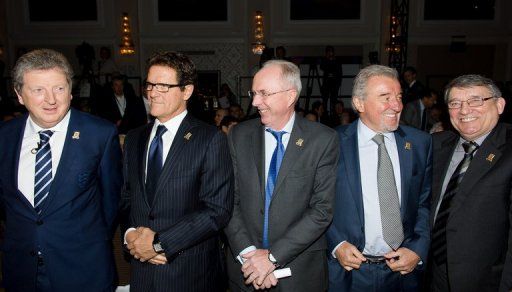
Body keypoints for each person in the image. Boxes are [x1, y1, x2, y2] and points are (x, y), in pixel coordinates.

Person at [0, 49, 122, 291]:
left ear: (71, 90)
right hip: (22, 270)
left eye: (59, 88)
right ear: (19, 95)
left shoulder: (99, 134)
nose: (51, 99)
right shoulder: (4, 136)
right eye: (38, 90)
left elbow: (113, 202)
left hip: (83, 270)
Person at [119, 51, 233, 292]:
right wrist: (130, 235)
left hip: (188, 273)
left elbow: (217, 210)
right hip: (142, 272)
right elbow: (127, 197)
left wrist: (160, 244)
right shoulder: (134, 138)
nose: (152, 93)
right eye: (149, 84)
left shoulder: (209, 139)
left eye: (163, 86)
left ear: (186, 91)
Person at [224, 60, 339, 291]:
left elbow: (321, 210)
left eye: (264, 93)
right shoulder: (239, 135)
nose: (255, 102)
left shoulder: (323, 140)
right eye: (254, 93)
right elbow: (228, 201)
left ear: (290, 96)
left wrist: (271, 258)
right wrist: (249, 255)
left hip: (300, 273)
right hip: (245, 269)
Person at [327, 64, 432, 292]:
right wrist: (336, 244)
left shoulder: (420, 143)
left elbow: (424, 203)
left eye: (398, 97)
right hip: (349, 273)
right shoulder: (331, 143)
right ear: (359, 103)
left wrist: (418, 248)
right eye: (385, 97)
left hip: (404, 273)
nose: (396, 105)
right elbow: (316, 202)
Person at [427, 75, 512, 292]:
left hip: (486, 279)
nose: (464, 111)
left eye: (475, 101)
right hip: (431, 273)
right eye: (455, 103)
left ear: (499, 105)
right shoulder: (436, 145)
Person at [320, 46, 343, 114]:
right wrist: (328, 59)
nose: (330, 53)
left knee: (334, 99)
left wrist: (338, 83)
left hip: (334, 83)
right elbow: (322, 67)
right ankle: (324, 113)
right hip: (326, 83)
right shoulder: (324, 60)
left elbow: (339, 71)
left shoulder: (336, 60)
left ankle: (334, 112)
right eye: (328, 52)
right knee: (325, 99)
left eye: (331, 51)